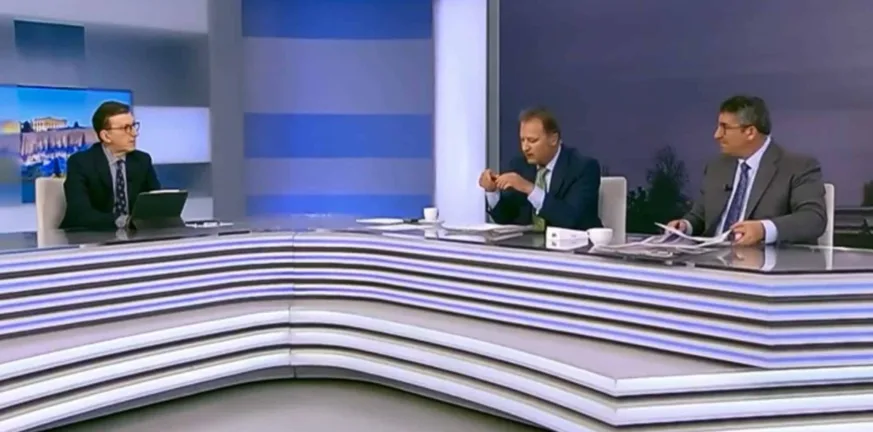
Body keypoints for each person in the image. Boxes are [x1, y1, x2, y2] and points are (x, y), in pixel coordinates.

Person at [668, 95, 826, 245]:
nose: (717, 135)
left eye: (725, 128)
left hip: (762, 260)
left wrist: (763, 230)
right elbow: (700, 216)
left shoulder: (798, 167)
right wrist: (685, 226)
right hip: (710, 258)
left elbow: (813, 219)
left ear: (750, 132)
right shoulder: (716, 167)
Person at [479, 107, 602, 231]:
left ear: (553, 139)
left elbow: (571, 219)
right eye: (522, 140)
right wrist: (492, 191)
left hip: (573, 242)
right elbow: (506, 218)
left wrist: (529, 189)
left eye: (532, 140)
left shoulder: (582, 168)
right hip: (530, 242)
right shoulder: (520, 165)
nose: (525, 148)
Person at [60, 101, 161, 230]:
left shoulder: (142, 160)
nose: (134, 133)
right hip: (89, 235)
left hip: (133, 236)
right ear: (106, 136)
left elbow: (156, 203)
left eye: (133, 126)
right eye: (126, 128)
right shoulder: (81, 163)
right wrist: (123, 222)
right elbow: (80, 214)